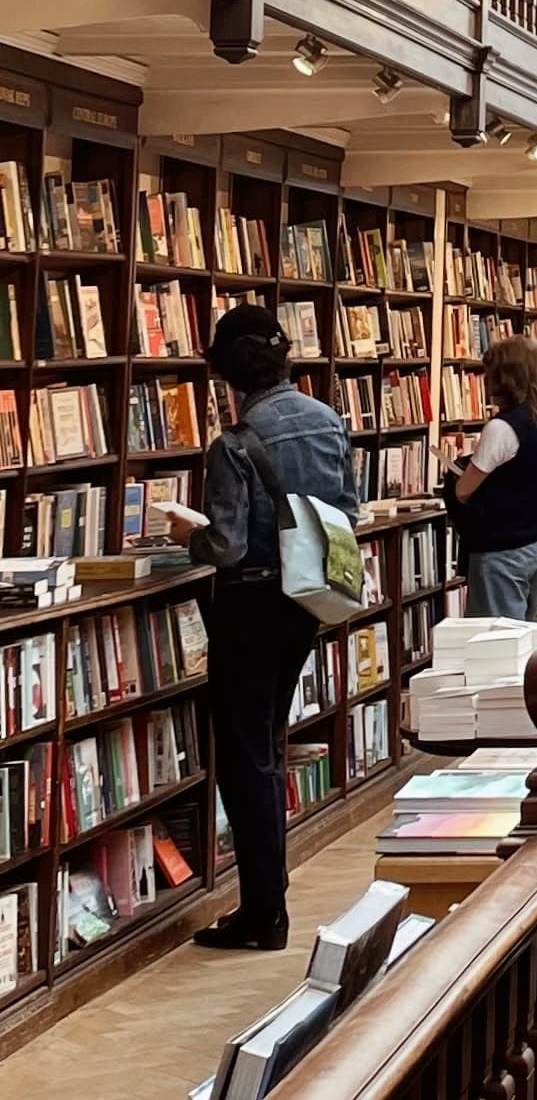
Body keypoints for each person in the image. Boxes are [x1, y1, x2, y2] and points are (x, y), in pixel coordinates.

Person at [151, 305, 355, 954]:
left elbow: (229, 546)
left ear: (228, 375)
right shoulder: (327, 420)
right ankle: (268, 901)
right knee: (267, 737)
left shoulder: (235, 444)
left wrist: (191, 534)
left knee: (245, 755)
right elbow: (346, 508)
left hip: (249, 603)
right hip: (306, 599)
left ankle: (264, 909)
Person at [443, 331, 537, 617]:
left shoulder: (503, 428)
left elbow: (464, 490)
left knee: (497, 643)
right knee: (526, 636)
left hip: (502, 550)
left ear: (504, 377)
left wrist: (457, 473)